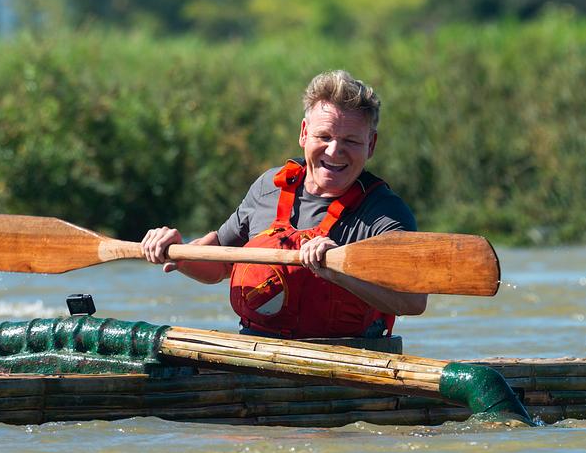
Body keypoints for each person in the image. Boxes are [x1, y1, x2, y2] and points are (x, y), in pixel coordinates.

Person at [140, 70, 427, 338]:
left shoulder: (386, 215)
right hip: (257, 356)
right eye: (323, 137)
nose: (334, 150)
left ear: (371, 145)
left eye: (351, 141)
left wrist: (339, 271)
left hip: (347, 365)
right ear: (304, 133)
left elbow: (413, 302)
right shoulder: (269, 187)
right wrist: (176, 252)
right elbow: (219, 266)